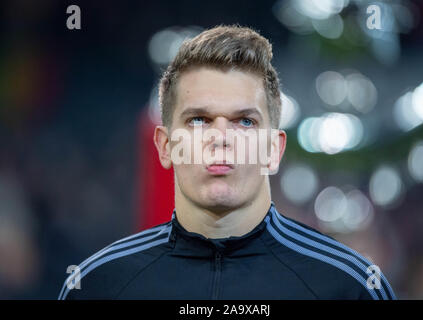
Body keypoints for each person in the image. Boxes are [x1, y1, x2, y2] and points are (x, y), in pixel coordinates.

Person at [58, 24, 396, 300]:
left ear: (273, 150)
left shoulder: (351, 288)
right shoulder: (95, 287)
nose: (221, 137)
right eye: (199, 120)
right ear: (164, 146)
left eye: (245, 121)